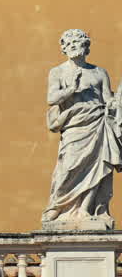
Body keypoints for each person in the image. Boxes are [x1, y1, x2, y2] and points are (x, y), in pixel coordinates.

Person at [43, 28, 122, 229]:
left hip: (97, 123)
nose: (74, 47)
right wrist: (72, 89)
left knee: (97, 167)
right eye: (70, 44)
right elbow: (51, 98)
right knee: (68, 167)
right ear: (63, 48)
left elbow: (108, 99)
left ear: (87, 47)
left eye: (79, 43)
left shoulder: (99, 72)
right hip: (74, 126)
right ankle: (58, 205)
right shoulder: (58, 72)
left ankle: (87, 208)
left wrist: (116, 102)